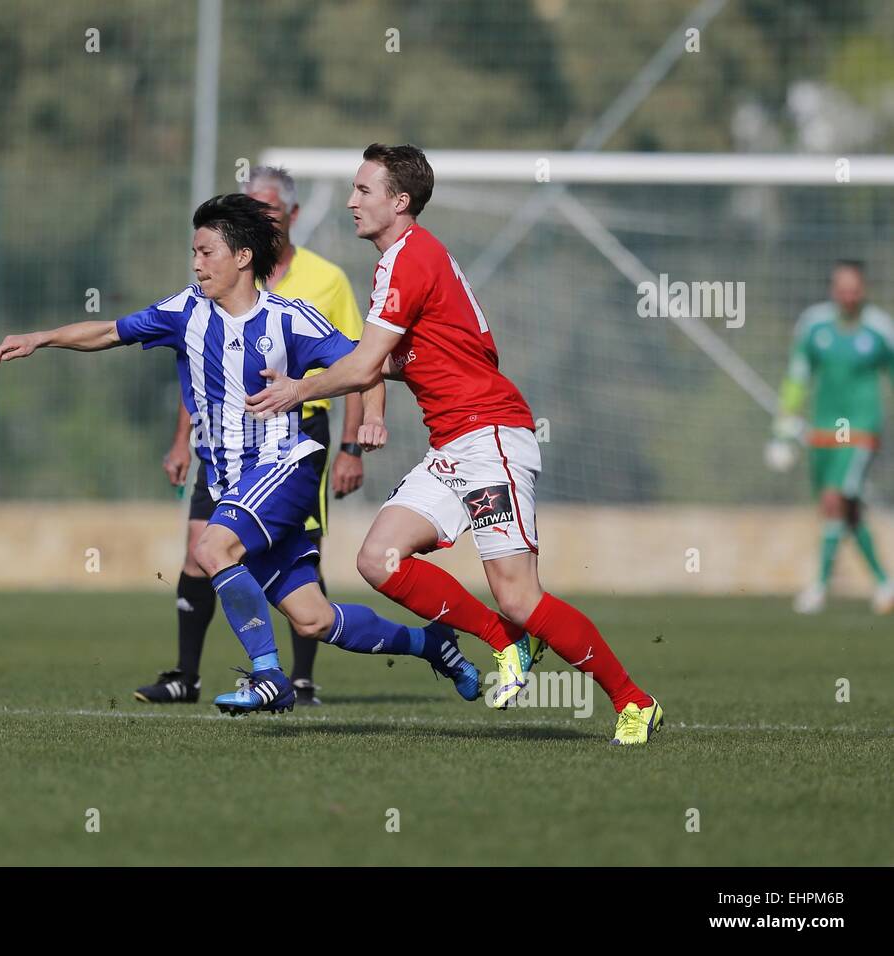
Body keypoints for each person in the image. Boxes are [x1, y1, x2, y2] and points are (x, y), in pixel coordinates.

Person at [0, 192, 481, 715]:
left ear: (243, 257)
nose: (197, 263)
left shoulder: (291, 319)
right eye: (194, 252)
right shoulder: (183, 312)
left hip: (284, 467)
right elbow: (108, 331)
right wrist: (41, 338)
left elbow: (366, 365)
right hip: (234, 483)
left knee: (211, 548)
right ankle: (435, 646)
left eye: (207, 252)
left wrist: (376, 416)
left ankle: (270, 676)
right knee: (313, 618)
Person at [246, 144, 662, 744]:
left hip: (489, 435)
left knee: (519, 596)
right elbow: (399, 361)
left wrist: (297, 389)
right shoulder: (404, 259)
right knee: (379, 560)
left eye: (364, 190)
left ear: (400, 201)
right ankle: (501, 639)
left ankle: (633, 700)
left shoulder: (408, 258)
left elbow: (365, 367)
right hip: (453, 442)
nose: (351, 201)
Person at [139, 166, 366, 707]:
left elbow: (359, 362)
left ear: (291, 214)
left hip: (293, 435)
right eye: (250, 207)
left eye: (268, 208)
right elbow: (200, 364)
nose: (258, 217)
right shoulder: (213, 282)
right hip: (219, 437)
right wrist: (180, 439)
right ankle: (186, 675)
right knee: (200, 551)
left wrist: (353, 446)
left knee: (295, 555)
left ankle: (296, 678)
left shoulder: (324, 280)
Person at [772, 260, 894, 615]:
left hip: (860, 430)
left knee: (833, 499)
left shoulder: (880, 330)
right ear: (832, 290)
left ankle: (819, 588)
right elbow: (798, 375)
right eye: (842, 288)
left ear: (864, 290)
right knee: (846, 512)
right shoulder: (814, 326)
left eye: (854, 288)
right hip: (823, 431)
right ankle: (885, 583)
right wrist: (783, 425)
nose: (848, 295)